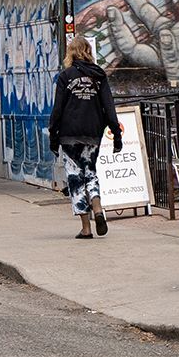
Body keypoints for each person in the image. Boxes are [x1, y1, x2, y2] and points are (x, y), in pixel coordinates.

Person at [49, 36, 122, 239]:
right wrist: (117, 135)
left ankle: (86, 228)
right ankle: (98, 209)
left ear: (71, 53)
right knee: (90, 172)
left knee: (75, 177)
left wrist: (53, 134)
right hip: (92, 133)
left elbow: (58, 108)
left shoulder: (66, 76)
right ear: (89, 51)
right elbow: (109, 107)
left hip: (69, 134)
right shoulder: (99, 76)